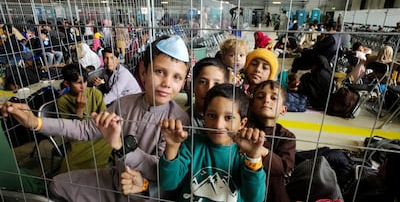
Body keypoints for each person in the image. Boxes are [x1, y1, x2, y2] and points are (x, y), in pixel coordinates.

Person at [1, 35, 191, 202]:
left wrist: (122, 147)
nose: (167, 83)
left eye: (176, 77)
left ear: (183, 82)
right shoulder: (125, 103)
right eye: (159, 72)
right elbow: (85, 129)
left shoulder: (180, 121)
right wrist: (36, 122)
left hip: (148, 192)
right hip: (114, 181)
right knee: (58, 185)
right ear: (143, 71)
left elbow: (162, 173)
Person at [121, 83, 266, 202]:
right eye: (212, 115)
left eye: (229, 117)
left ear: (242, 123)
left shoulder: (243, 154)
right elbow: (168, 183)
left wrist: (253, 157)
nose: (218, 124)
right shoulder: (192, 144)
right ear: (204, 117)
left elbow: (255, 199)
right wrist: (172, 146)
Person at [57, 63, 112, 173]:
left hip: (99, 136)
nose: (83, 86)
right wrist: (79, 110)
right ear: (67, 83)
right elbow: (71, 135)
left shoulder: (95, 94)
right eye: (78, 83)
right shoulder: (63, 101)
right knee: (67, 169)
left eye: (85, 82)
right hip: (79, 141)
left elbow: (104, 121)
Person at [246, 80, 296, 202]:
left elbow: (285, 166)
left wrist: (260, 151)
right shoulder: (246, 129)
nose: (266, 100)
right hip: (247, 188)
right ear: (252, 106)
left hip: (273, 194)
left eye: (273, 98)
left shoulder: (287, 136)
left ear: (283, 110)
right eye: (260, 96)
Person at [189, 57, 229, 129]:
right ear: (193, 85)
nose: (209, 89)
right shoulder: (183, 120)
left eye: (216, 84)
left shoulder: (233, 122)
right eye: (203, 82)